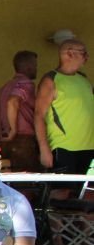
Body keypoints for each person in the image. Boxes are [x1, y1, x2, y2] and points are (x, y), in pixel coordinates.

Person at [34, 38, 93, 174]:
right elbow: (39, 115)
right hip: (64, 148)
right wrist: (44, 149)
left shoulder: (84, 80)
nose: (87, 57)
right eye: (83, 53)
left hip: (89, 148)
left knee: (88, 187)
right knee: (64, 187)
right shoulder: (51, 80)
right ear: (69, 54)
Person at [0, 51, 39, 172]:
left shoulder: (2, 89)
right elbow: (13, 101)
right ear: (29, 66)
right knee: (26, 174)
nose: (36, 69)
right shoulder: (25, 84)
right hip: (23, 138)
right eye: (35, 65)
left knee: (7, 175)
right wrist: (13, 129)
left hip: (3, 140)